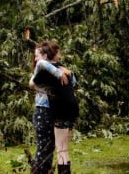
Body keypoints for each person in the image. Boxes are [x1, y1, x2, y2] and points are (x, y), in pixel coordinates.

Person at [29, 41, 79, 174]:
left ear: (45, 55)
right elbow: (31, 83)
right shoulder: (49, 68)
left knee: (49, 146)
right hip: (53, 110)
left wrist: (66, 73)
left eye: (37, 55)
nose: (35, 59)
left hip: (49, 110)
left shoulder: (52, 67)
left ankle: (44, 171)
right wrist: (62, 73)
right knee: (51, 147)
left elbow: (72, 83)